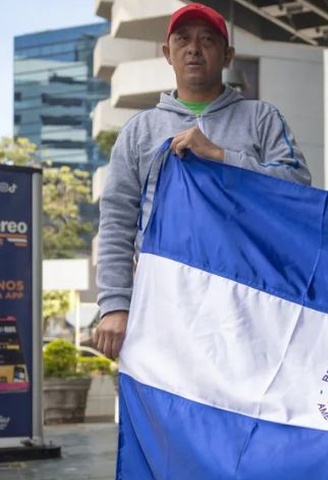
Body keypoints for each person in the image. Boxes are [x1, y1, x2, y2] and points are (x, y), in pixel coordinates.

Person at [94, 3, 311, 359]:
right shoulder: (139, 131)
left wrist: (221, 157)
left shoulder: (262, 118)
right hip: (164, 306)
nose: (193, 48)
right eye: (182, 39)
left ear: (228, 56)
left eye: (207, 40)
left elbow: (298, 188)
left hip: (251, 302)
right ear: (168, 53)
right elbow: (117, 222)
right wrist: (115, 305)